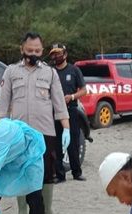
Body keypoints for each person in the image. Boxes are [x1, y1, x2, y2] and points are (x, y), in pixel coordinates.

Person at [0, 32, 71, 214]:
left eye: (37, 50)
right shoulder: (11, 71)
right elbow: (3, 103)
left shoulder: (50, 72)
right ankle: (22, 211)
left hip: (44, 131)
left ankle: (48, 209)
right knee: (21, 169)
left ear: (42, 51)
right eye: (30, 50)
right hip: (19, 132)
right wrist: (1, 129)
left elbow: (59, 102)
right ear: (22, 49)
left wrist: (66, 128)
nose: (33, 53)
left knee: (47, 170)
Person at [49, 43, 87, 182]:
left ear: (65, 54)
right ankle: (60, 175)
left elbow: (84, 90)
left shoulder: (74, 70)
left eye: (58, 53)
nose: (56, 56)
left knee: (73, 142)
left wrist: (71, 97)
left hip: (71, 110)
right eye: (53, 54)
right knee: (57, 143)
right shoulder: (50, 71)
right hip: (54, 112)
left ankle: (77, 172)